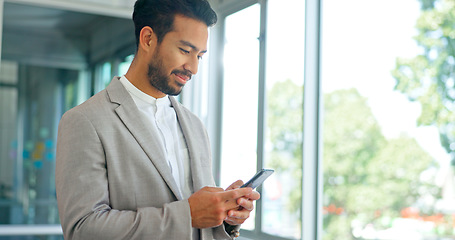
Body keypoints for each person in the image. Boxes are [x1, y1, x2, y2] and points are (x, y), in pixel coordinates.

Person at [55, 0, 260, 239]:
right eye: (185, 51)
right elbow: (83, 229)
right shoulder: (85, 121)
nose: (193, 67)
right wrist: (188, 214)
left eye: (200, 56)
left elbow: (197, 224)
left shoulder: (194, 125)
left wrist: (223, 216)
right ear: (148, 39)